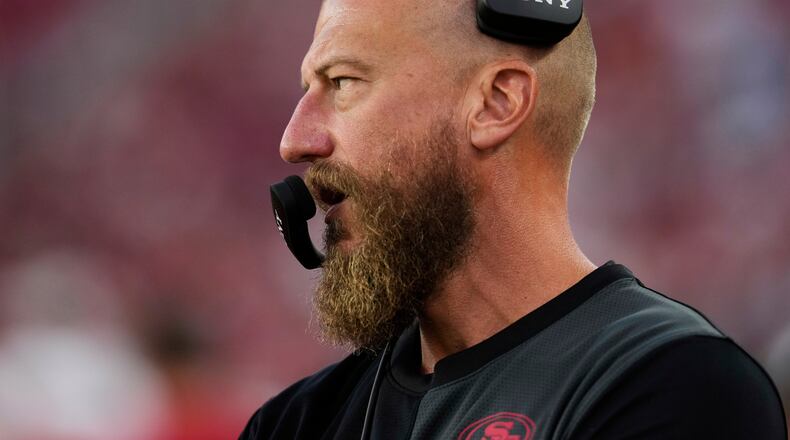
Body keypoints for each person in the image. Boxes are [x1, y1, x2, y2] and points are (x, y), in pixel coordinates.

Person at [240, 0, 787, 438]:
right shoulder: (295, 423)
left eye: (342, 82)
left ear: (497, 103)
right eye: (308, 90)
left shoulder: (675, 385)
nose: (294, 141)